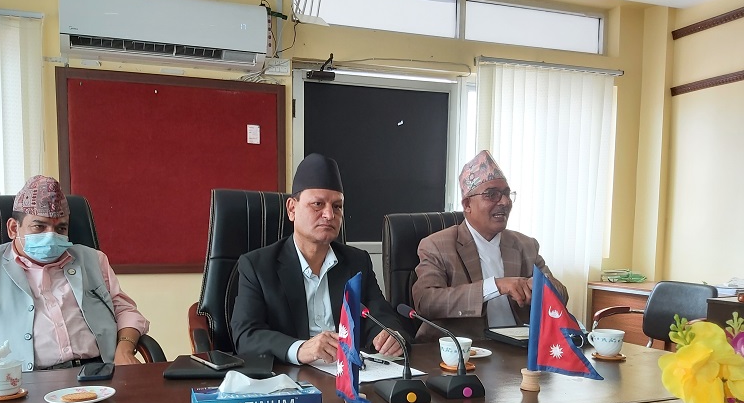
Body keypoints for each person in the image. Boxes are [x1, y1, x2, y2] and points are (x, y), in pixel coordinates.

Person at [0, 175, 149, 375]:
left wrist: (124, 350)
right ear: (13, 229)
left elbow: (125, 311)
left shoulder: (93, 259)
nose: (51, 236)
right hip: (21, 382)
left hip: (99, 374)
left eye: (61, 228)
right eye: (39, 227)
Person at [231, 153, 406, 364]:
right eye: (317, 204)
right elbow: (246, 335)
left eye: (337, 206)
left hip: (349, 375)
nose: (329, 215)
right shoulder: (257, 266)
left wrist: (389, 335)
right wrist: (300, 349)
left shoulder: (357, 261)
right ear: (292, 209)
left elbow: (380, 314)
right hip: (290, 375)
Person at [411, 150, 567, 343]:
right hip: (465, 350)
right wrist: (496, 286)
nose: (505, 202)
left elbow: (562, 297)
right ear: (467, 205)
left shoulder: (526, 245)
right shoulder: (437, 245)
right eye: (492, 194)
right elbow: (426, 302)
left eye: (506, 194)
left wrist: (544, 287)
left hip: (519, 349)